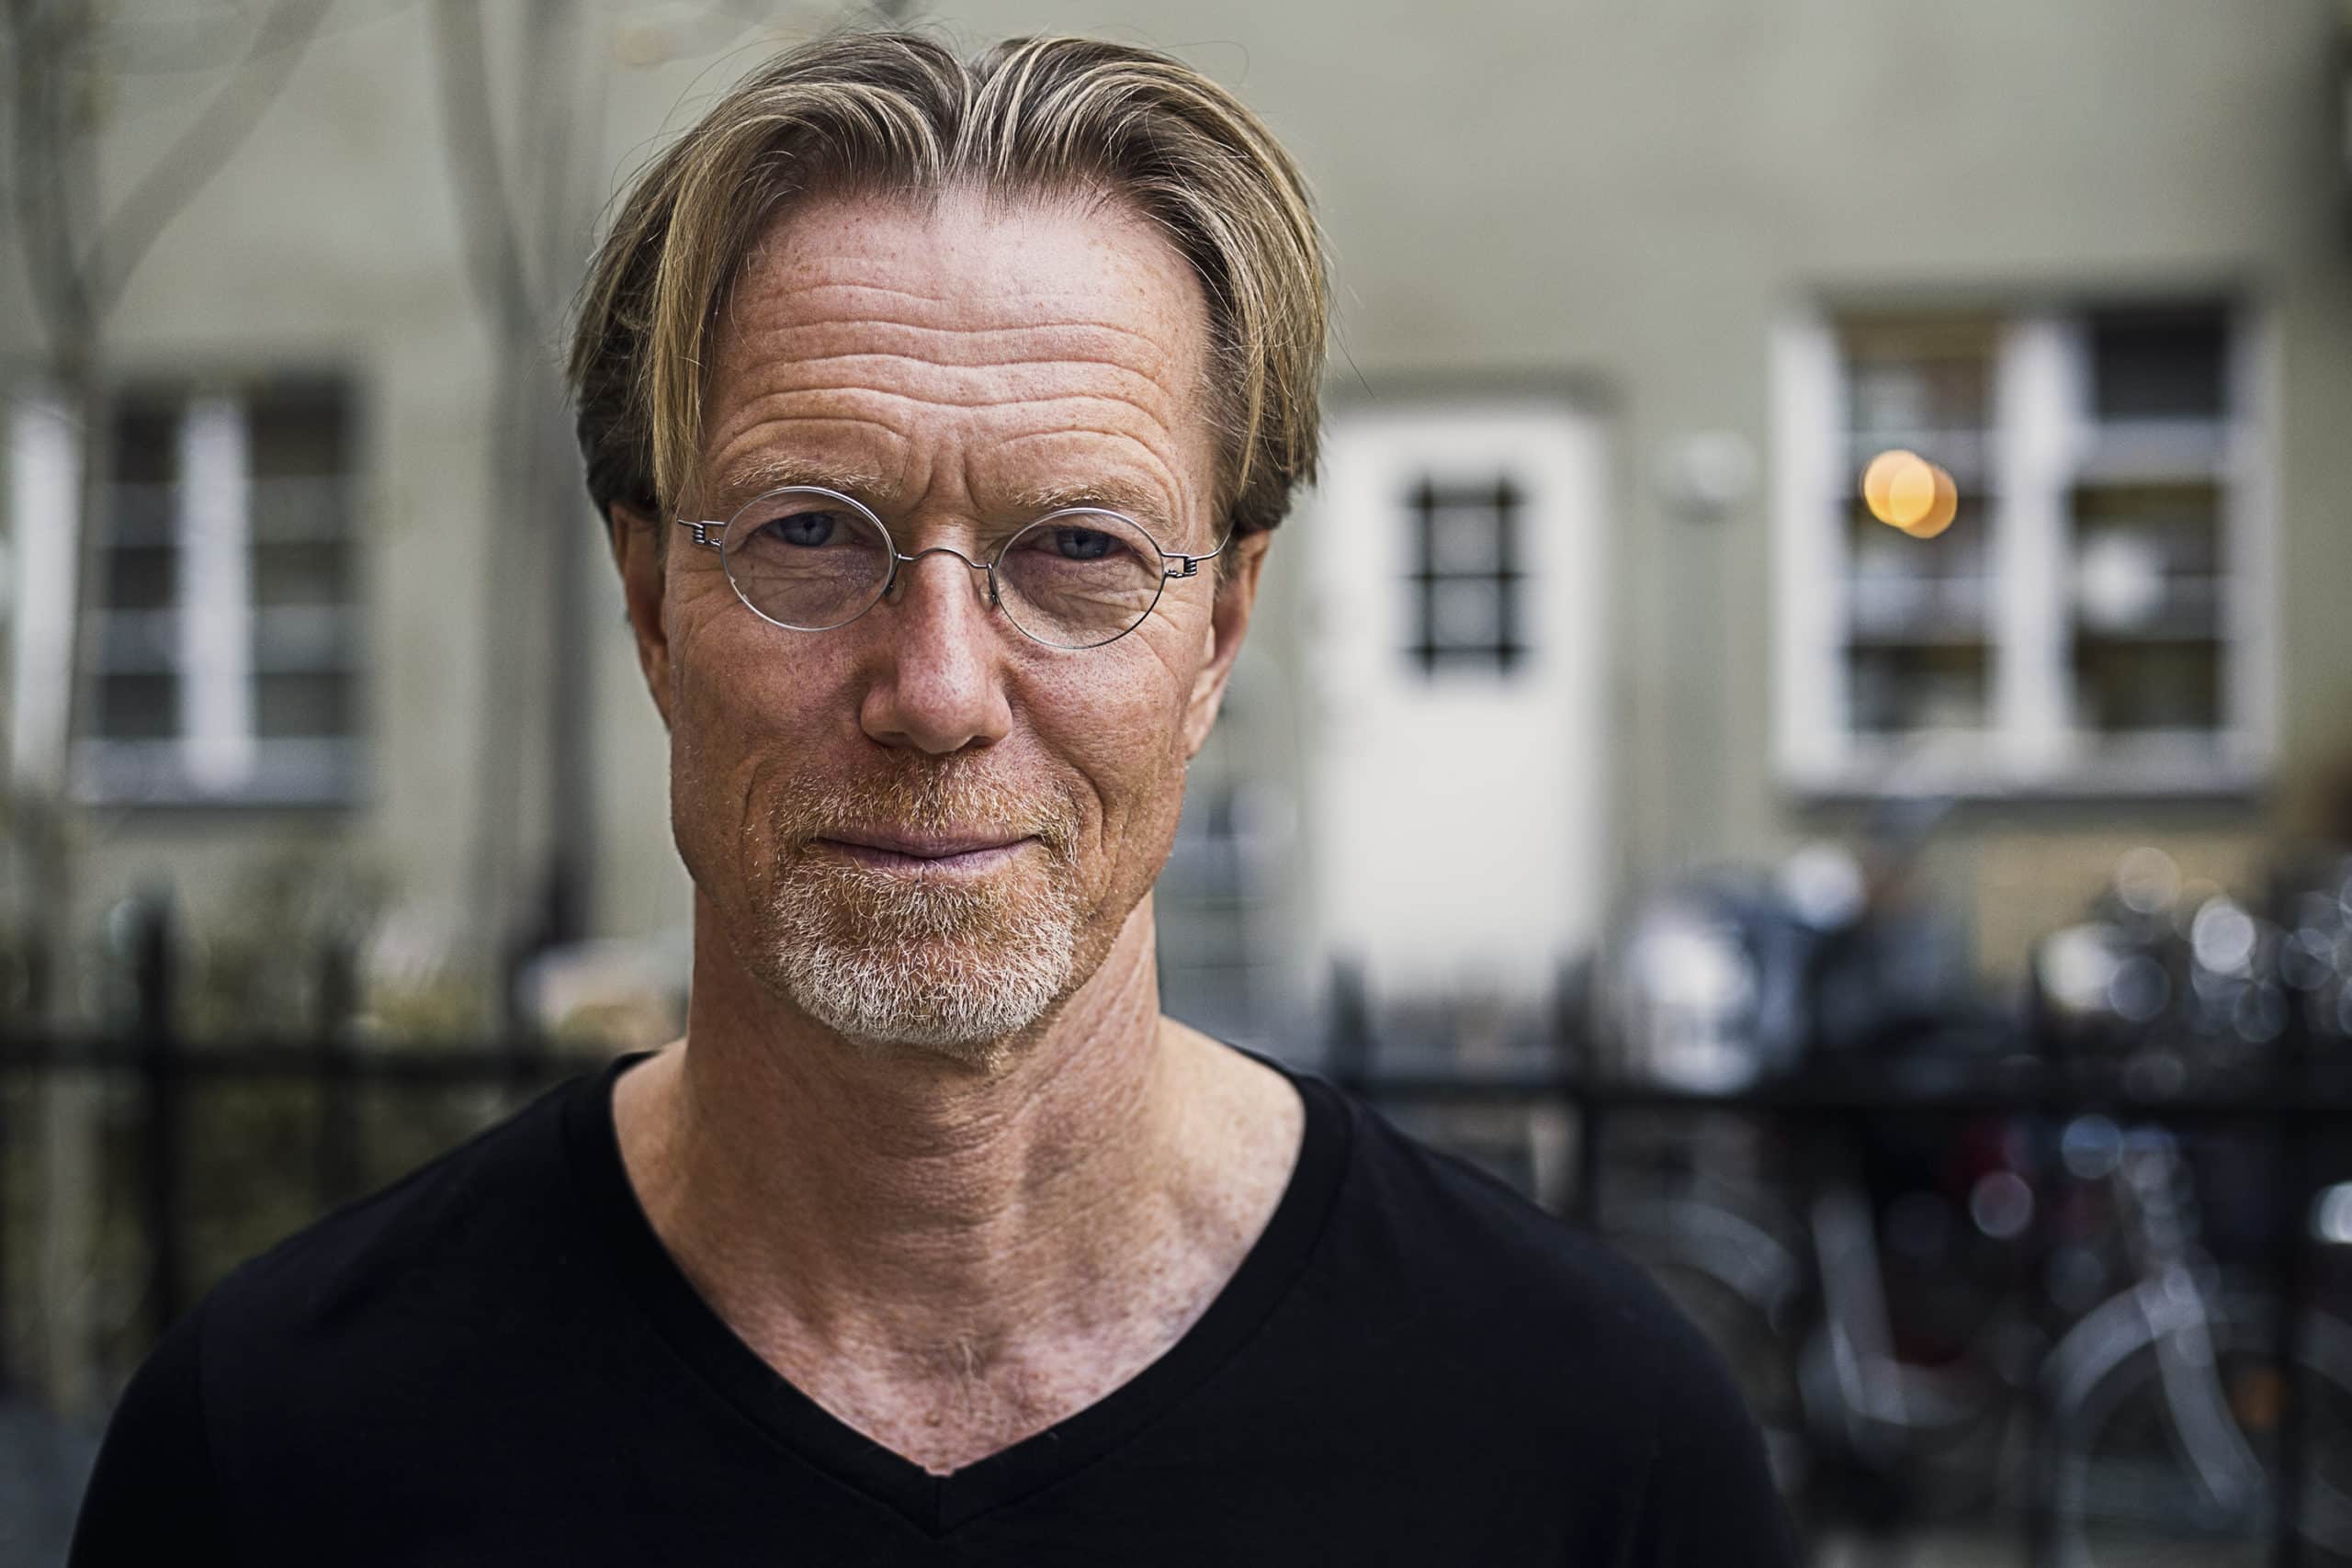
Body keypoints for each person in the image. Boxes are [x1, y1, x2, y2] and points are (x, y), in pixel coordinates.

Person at [70, 32, 1795, 1565]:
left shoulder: (1587, 1442)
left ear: (1220, 630)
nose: (942, 692)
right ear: (652, 600)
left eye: (1079, 549)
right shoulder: (283, 1449)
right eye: (811, 533)